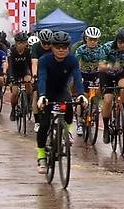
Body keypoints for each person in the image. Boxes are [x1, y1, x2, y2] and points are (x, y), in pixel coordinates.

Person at [35, 31, 88, 173]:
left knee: (70, 106)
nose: (61, 50)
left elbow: (77, 77)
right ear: (52, 47)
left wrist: (81, 95)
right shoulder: (45, 60)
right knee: (45, 124)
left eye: (64, 47)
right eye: (57, 47)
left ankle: (67, 132)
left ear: (68, 48)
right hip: (46, 92)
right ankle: (41, 157)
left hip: (61, 91)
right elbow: (42, 77)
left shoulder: (72, 60)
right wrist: (41, 95)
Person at [100, 27, 124, 143]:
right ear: (116, 40)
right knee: (107, 100)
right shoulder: (107, 47)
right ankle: (106, 128)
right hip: (106, 75)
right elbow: (100, 66)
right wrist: (111, 66)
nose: (122, 45)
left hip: (120, 73)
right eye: (120, 42)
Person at [74, 26, 106, 136]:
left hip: (96, 74)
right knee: (82, 98)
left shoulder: (101, 50)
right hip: (83, 74)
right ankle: (79, 122)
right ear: (86, 39)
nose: (93, 42)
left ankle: (94, 109)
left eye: (95, 39)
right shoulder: (80, 49)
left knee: (97, 94)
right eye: (90, 39)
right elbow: (76, 65)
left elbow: (103, 65)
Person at [30, 29, 53, 132]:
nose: (47, 46)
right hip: (39, 71)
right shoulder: (36, 47)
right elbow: (34, 62)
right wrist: (34, 76)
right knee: (35, 94)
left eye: (49, 43)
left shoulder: (54, 46)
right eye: (44, 43)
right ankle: (37, 121)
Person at [7, 32, 33, 121]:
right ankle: (13, 109)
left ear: (26, 43)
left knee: (29, 86)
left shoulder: (28, 51)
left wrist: (31, 75)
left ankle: (28, 104)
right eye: (19, 43)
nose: (21, 45)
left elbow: (30, 64)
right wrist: (11, 77)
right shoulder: (12, 51)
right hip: (13, 72)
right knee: (15, 92)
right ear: (16, 43)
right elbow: (10, 65)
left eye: (24, 43)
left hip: (24, 71)